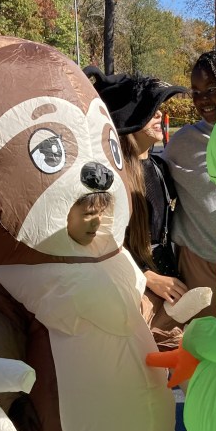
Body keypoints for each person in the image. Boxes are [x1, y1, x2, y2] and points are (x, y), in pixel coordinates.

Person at [84, 67, 190, 350]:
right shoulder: (108, 179)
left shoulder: (161, 167)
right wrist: (146, 276)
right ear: (128, 121)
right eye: (150, 110)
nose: (159, 115)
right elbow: (96, 246)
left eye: (158, 108)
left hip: (170, 300)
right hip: (128, 302)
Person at [162, 50, 216, 318]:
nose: (202, 99)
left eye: (212, 88)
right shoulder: (183, 142)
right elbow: (145, 173)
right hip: (200, 266)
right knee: (204, 347)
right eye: (195, 92)